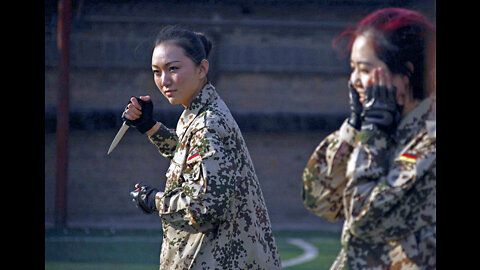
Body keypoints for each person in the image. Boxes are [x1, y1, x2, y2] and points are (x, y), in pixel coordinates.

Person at [123, 26, 281, 269]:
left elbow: (205, 206)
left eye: (173, 69)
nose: (164, 81)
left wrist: (153, 200)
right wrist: (150, 127)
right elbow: (191, 156)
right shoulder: (199, 112)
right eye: (157, 71)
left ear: (202, 69)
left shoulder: (208, 123)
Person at [302, 8, 436, 270]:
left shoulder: (428, 139)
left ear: (406, 74)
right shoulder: (385, 126)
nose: (354, 81)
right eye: (353, 68)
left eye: (365, 69)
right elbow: (318, 199)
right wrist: (355, 127)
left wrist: (372, 135)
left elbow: (364, 219)